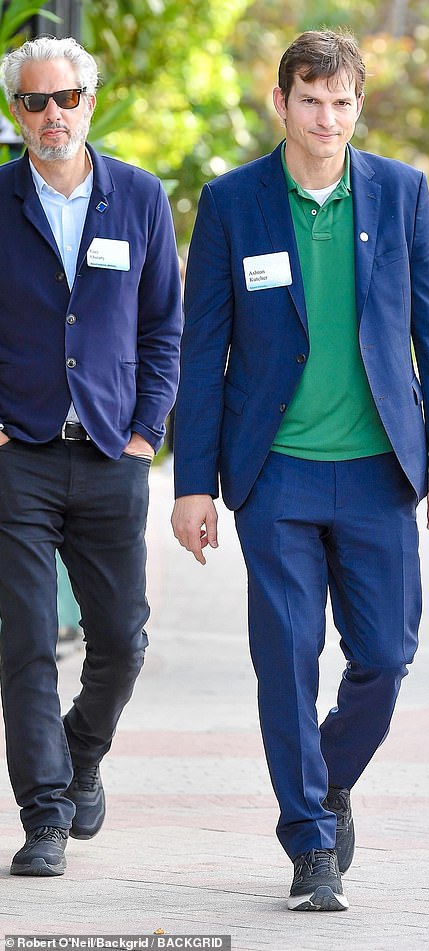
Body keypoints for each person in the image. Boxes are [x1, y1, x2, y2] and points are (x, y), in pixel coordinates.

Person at [171, 30, 429, 913]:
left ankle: (328, 779)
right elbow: (203, 353)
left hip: (381, 469)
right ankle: (309, 840)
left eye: (342, 103)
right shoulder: (233, 202)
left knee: (386, 656)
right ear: (282, 103)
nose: (327, 119)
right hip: (278, 475)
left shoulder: (403, 194)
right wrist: (194, 484)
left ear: (358, 107)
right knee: (287, 658)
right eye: (311, 101)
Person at [0, 37, 182, 877]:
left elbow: (163, 328)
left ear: (89, 102)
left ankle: (82, 752)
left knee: (123, 639)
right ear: (15, 113)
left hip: (113, 452)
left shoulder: (139, 197)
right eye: (34, 102)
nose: (51, 116)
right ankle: (43, 815)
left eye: (65, 98)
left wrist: (147, 432)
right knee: (28, 637)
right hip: (20, 458)